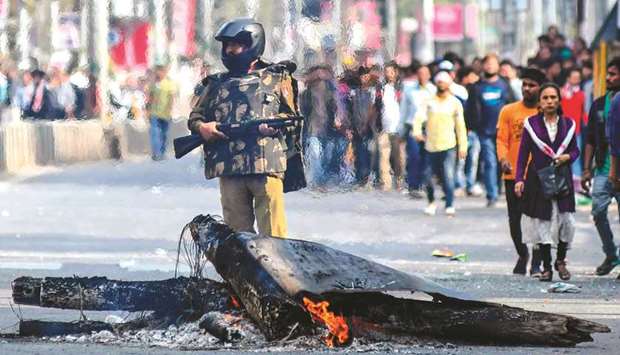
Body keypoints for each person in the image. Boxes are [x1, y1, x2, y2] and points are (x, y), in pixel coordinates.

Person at [188, 18, 302, 238]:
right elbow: (195, 117)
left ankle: (277, 272)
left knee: (274, 236)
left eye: (236, 45)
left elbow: (292, 116)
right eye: (227, 46)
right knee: (237, 237)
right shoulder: (214, 84)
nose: (230, 50)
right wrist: (203, 128)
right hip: (230, 168)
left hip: (265, 165)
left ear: (253, 45)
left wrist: (275, 126)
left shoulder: (277, 78)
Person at [515, 83, 579, 282]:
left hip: (562, 180)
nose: (549, 101)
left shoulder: (568, 125)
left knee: (566, 220)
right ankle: (546, 267)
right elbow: (523, 153)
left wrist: (568, 157)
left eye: (553, 97)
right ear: (540, 103)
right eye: (545, 98)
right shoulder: (531, 124)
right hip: (538, 180)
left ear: (559, 100)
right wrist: (519, 179)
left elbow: (575, 150)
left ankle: (561, 260)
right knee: (543, 221)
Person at [496, 68, 546, 276]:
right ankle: (522, 254)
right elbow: (501, 139)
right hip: (513, 174)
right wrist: (503, 159)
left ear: (540, 88)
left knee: (537, 219)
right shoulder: (508, 110)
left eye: (531, 85)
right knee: (515, 219)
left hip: (538, 175)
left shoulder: (546, 112)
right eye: (524, 84)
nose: (526, 88)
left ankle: (536, 261)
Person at [582, 57, 620, 277]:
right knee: (597, 211)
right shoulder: (598, 104)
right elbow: (589, 138)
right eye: (608, 73)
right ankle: (611, 253)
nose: (608, 77)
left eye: (613, 74)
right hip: (603, 170)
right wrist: (587, 168)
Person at [413, 71, 467, 216]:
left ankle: (449, 204)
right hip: (430, 145)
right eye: (439, 82)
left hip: (449, 145)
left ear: (449, 84)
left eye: (444, 82)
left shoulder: (455, 103)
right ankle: (431, 203)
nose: (441, 84)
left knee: (449, 176)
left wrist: (463, 146)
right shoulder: (429, 101)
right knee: (428, 176)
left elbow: (460, 126)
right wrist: (417, 132)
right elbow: (419, 117)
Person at [466, 54, 515, 207]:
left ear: (498, 66)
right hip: (484, 131)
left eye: (492, 63)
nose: (489, 66)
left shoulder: (504, 85)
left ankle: (499, 189)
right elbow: (470, 109)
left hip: (503, 131)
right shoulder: (477, 87)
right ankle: (492, 194)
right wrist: (470, 126)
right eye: (487, 63)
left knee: (502, 162)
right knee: (489, 162)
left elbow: (512, 105)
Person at [377, 61, 405, 191]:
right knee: (384, 157)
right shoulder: (381, 88)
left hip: (398, 128)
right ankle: (386, 184)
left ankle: (400, 180)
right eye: (386, 72)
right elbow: (376, 106)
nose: (388, 74)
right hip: (384, 128)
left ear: (396, 72)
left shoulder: (402, 87)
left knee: (399, 158)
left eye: (391, 72)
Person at [561, 67, 588, 179]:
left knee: (576, 157)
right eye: (574, 77)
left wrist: (588, 124)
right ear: (568, 78)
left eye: (578, 78)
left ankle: (576, 182)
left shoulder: (582, 94)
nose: (576, 80)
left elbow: (584, 113)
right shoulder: (561, 93)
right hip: (561, 130)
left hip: (576, 131)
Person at [147, 64, 178, 160]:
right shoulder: (153, 84)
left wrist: (170, 109)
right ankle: (157, 153)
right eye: (157, 72)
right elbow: (150, 98)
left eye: (160, 71)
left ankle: (162, 151)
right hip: (154, 113)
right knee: (155, 133)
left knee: (163, 134)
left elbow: (171, 98)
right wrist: (147, 110)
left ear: (164, 73)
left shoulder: (169, 84)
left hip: (165, 114)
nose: (158, 74)